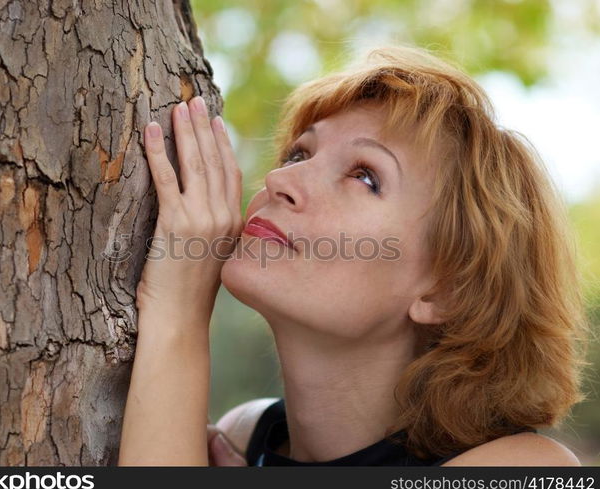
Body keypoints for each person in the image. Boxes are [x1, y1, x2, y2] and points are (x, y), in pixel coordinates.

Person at [118, 45, 590, 466]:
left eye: (365, 176)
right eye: (299, 155)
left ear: (448, 288)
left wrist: (178, 310)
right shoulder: (245, 436)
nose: (281, 181)